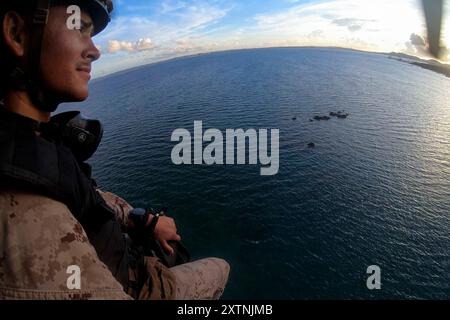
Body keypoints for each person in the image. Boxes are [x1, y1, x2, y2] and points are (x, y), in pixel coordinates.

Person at [0, 0, 229, 300]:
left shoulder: (32, 142)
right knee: (220, 268)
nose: (95, 50)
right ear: (17, 34)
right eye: (78, 27)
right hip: (134, 283)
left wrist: (141, 219)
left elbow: (89, 197)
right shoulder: (31, 219)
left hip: (122, 259)